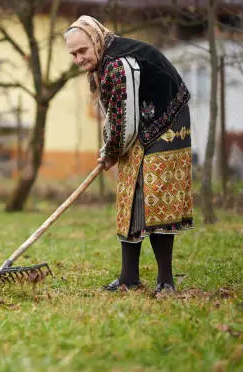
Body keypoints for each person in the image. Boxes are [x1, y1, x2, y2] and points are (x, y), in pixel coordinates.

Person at [64, 15, 194, 293]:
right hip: (141, 123)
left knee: (157, 196)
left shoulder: (118, 64)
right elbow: (115, 114)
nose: (78, 58)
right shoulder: (103, 63)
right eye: (73, 54)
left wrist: (112, 150)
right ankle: (128, 277)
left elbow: (125, 122)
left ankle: (165, 281)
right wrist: (108, 150)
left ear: (96, 41)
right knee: (129, 194)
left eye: (82, 51)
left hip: (168, 121)